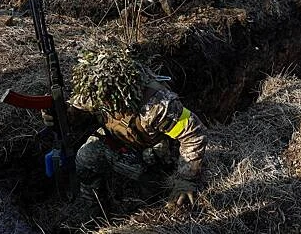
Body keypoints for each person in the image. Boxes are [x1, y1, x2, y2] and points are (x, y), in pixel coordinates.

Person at [44, 47, 208, 226]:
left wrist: (186, 180)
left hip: (150, 153)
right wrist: (59, 114)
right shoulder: (96, 88)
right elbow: (76, 110)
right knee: (84, 158)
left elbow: (193, 133)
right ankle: (93, 206)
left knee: (154, 191)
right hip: (115, 142)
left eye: (106, 99)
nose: (99, 102)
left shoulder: (157, 105)